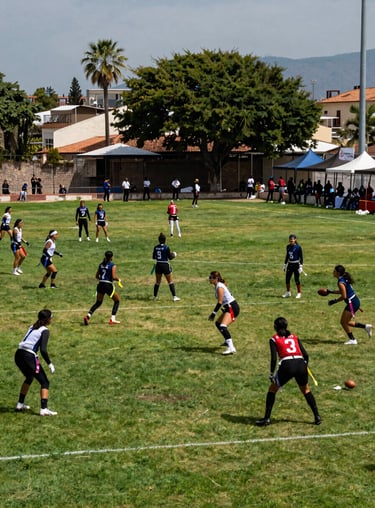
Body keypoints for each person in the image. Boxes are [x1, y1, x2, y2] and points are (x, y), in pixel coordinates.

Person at [256, 316, 321, 426]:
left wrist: (271, 373)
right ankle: (317, 416)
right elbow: (306, 355)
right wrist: (305, 365)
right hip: (300, 363)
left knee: (272, 390)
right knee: (306, 390)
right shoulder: (295, 337)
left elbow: (273, 358)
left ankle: (267, 418)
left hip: (287, 365)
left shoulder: (274, 339)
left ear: (275, 327)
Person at [14, 309, 57, 416]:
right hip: (28, 356)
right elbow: (43, 350)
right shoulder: (45, 331)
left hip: (18, 354)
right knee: (45, 382)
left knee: (29, 377)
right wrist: (50, 364)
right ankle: (44, 409)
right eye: (51, 317)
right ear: (47, 319)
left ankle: (20, 404)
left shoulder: (32, 326)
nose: (52, 319)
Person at [327, 264, 372, 345]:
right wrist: (331, 292)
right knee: (347, 322)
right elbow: (344, 291)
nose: (333, 272)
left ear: (337, 273)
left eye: (334, 271)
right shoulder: (343, 278)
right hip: (355, 301)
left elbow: (344, 296)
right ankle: (366, 327)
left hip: (353, 303)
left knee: (343, 322)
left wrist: (334, 301)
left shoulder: (340, 282)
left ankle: (353, 340)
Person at [84, 250, 122, 325]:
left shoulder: (101, 264)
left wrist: (102, 280)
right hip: (107, 285)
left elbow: (96, 276)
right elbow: (114, 277)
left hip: (100, 284)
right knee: (117, 300)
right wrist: (119, 279)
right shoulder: (112, 265)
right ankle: (112, 319)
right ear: (111, 257)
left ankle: (88, 316)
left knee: (98, 302)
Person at [208, 271, 239, 355]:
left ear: (216, 279)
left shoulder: (219, 287)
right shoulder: (218, 285)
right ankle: (227, 340)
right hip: (228, 307)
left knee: (223, 326)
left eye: (211, 278)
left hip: (232, 307)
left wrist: (213, 313)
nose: (209, 279)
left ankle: (231, 348)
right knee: (218, 323)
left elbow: (220, 302)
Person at [152, 232, 180, 302]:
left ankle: (155, 297)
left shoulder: (156, 247)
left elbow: (153, 257)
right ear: (165, 240)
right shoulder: (166, 247)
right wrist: (174, 255)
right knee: (170, 281)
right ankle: (174, 297)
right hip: (165, 265)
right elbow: (170, 257)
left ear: (159, 240)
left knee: (157, 282)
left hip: (158, 265)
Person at [282, 234, 303, 299]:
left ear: (295, 240)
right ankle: (288, 292)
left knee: (296, 279)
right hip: (290, 264)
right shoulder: (288, 247)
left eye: (292, 240)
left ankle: (299, 293)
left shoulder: (298, 247)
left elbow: (301, 257)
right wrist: (285, 264)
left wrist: (301, 266)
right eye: (290, 240)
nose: (291, 241)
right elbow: (287, 256)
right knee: (287, 279)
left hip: (296, 264)